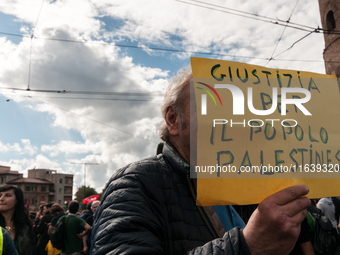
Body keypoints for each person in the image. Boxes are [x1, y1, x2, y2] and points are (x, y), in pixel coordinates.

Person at [90, 68, 311, 254]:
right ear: (173, 119)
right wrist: (247, 245)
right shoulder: (134, 184)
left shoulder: (240, 186)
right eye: (212, 104)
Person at [0, 185, 36, 255]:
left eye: (8, 195)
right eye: (0, 195)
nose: (1, 199)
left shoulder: (26, 226)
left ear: (17, 200)